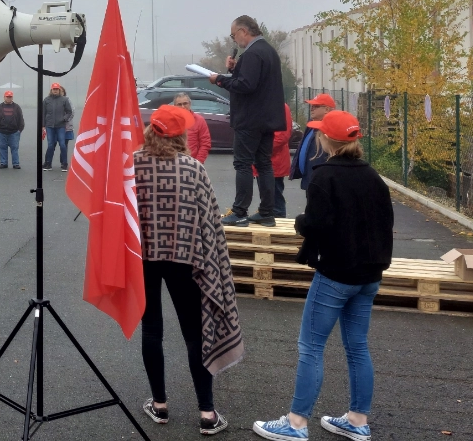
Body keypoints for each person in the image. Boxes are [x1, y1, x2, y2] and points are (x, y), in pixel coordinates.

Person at [253, 110, 393, 441]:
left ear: (325, 139)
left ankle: (296, 424)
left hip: (336, 275)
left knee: (311, 347)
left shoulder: (324, 176)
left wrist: (301, 222)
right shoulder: (374, 177)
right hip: (369, 275)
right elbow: (384, 224)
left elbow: (316, 223)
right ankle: (358, 420)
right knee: (357, 346)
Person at [134, 104, 241, 436]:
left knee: (152, 330)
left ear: (151, 130)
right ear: (181, 134)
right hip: (187, 260)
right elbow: (210, 222)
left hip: (144, 258)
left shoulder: (133, 166)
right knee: (195, 334)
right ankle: (207, 413)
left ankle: (160, 405)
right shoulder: (193, 169)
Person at [209, 15, 286, 228]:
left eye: (234, 36)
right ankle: (266, 212)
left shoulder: (252, 53)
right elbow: (255, 83)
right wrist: (234, 70)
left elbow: (246, 85)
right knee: (263, 164)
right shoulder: (269, 51)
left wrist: (220, 79)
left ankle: (240, 211)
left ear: (244, 31)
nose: (235, 41)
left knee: (243, 164)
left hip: (250, 120)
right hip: (267, 118)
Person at [290, 93, 335, 193]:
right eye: (311, 106)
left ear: (327, 109)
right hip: (310, 178)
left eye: (316, 106)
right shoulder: (311, 125)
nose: (311, 109)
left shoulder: (330, 129)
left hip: (321, 182)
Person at [41, 83, 73, 172]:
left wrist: (64, 119)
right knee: (51, 144)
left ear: (59, 90)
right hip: (49, 126)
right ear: (51, 90)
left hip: (61, 126)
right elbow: (43, 113)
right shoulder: (46, 100)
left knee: (62, 144)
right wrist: (43, 125)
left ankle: (64, 164)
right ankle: (48, 163)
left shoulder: (64, 100)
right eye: (54, 89)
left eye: (57, 89)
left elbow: (69, 112)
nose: (55, 90)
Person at [172, 93, 212, 164]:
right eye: (179, 104)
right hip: (173, 162)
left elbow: (205, 144)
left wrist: (197, 162)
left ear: (190, 104)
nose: (183, 107)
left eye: (185, 103)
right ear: (174, 106)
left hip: (192, 162)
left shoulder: (199, 120)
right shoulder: (170, 120)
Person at [0, 90, 25, 169]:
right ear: (4, 97)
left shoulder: (17, 107)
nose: (9, 98)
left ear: (12, 97)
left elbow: (21, 119)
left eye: (10, 97)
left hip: (14, 132)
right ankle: (3, 163)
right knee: (2, 147)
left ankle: (16, 163)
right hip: (1, 132)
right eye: (7, 97)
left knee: (14, 148)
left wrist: (19, 130)